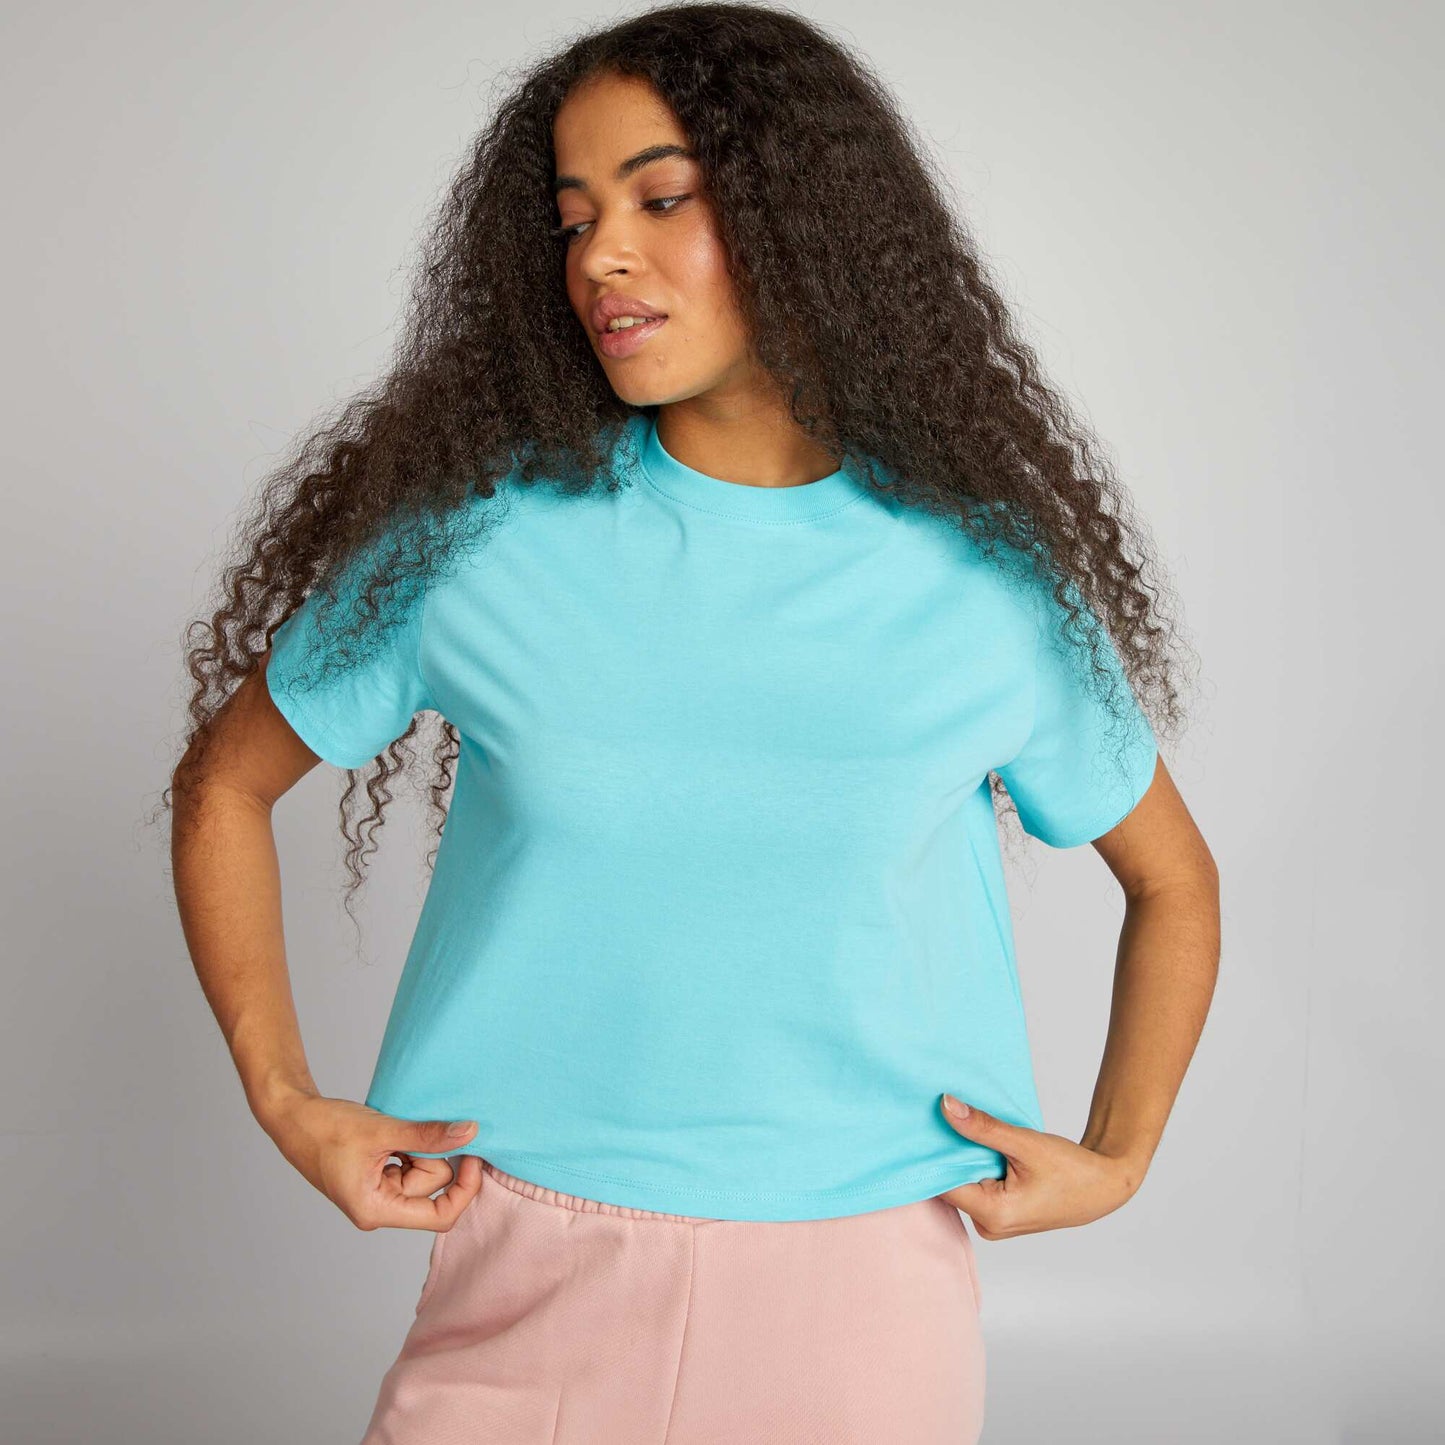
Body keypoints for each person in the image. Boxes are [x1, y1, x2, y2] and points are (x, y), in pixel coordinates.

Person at [167, 4, 1219, 1441]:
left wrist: (1120, 1152)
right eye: (573, 217)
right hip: (524, 1255)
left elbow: (1171, 879)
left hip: (863, 1292)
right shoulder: (475, 545)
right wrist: (286, 1096)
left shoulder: (986, 586)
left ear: (806, 221)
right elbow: (224, 785)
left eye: (661, 199)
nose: (600, 254)